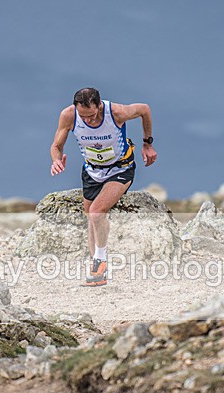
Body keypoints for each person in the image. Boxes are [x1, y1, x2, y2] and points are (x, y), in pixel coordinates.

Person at [50, 87, 157, 287]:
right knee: (92, 218)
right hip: (92, 171)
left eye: (91, 116)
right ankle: (98, 272)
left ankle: (100, 263)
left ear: (99, 106)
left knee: (97, 212)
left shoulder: (116, 113)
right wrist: (56, 160)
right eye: (83, 117)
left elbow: (144, 109)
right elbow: (56, 146)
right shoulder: (69, 116)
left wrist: (147, 143)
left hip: (120, 168)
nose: (88, 121)